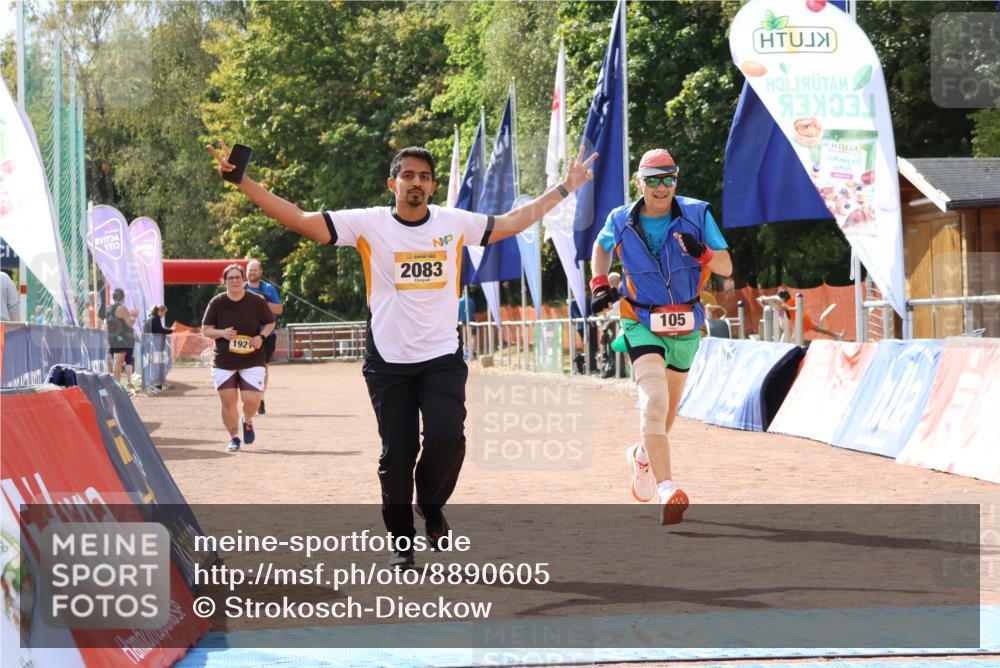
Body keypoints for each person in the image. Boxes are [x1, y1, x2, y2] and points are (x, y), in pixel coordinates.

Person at [208, 139, 596, 568]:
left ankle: (430, 505)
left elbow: (510, 222)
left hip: (442, 356)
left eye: (424, 177)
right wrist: (243, 182)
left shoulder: (453, 223)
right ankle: (401, 540)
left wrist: (564, 187)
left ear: (432, 187)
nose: (416, 182)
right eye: (407, 175)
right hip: (388, 362)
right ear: (392, 183)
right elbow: (300, 219)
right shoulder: (368, 224)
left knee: (448, 438)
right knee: (397, 454)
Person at [589, 148, 732, 525]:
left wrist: (702, 253)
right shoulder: (620, 219)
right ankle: (667, 488)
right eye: (653, 179)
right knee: (654, 399)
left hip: (686, 324)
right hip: (640, 319)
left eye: (668, 178)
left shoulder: (697, 214)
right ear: (640, 183)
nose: (661, 187)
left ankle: (641, 455)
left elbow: (726, 265)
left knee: (666, 414)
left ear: (676, 181)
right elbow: (600, 248)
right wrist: (600, 283)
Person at [201, 263, 275, 452]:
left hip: (252, 357)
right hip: (224, 360)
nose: (234, 281)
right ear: (224, 281)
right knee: (228, 401)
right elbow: (206, 330)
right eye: (230, 278)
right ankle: (234, 437)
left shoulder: (256, 301)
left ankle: (247, 419)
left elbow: (270, 322)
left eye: (237, 277)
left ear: (244, 280)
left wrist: (261, 336)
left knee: (252, 400)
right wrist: (222, 333)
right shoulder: (217, 302)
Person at [244, 259, 283, 415]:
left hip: (266, 335)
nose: (252, 272)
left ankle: (260, 399)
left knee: (263, 369)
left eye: (255, 270)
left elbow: (279, 309)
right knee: (245, 368)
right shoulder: (241, 288)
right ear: (245, 272)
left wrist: (263, 302)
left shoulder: (268, 289)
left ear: (261, 272)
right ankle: (249, 399)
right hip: (245, 335)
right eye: (249, 270)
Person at [770, 289, 844, 341]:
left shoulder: (788, 303)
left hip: (801, 322)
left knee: (794, 340)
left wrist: (771, 302)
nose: (780, 300)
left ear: (784, 297)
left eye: (780, 298)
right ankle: (836, 335)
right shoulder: (793, 300)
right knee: (820, 329)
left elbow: (780, 308)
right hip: (805, 319)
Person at [106, 288, 139, 394]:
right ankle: (117, 388)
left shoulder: (108, 308)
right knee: (118, 363)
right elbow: (129, 322)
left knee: (116, 362)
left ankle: (116, 386)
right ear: (123, 297)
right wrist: (134, 315)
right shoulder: (121, 308)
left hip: (112, 338)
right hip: (122, 339)